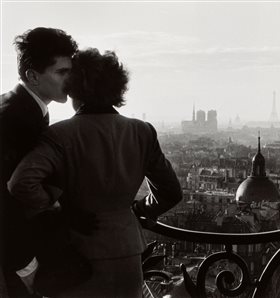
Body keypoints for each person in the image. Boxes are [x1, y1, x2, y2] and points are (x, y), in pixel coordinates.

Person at [8, 48, 183, 297]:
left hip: (77, 253)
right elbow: (171, 192)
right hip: (127, 250)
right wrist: (139, 210)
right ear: (117, 88)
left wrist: (56, 208)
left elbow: (21, 183)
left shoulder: (60, 134)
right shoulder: (141, 132)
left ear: (74, 88)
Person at [0, 27, 78, 297]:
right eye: (61, 72)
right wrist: (25, 265)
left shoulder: (15, 106)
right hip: (14, 258)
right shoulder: (21, 120)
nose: (70, 80)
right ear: (33, 76)